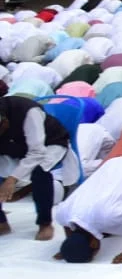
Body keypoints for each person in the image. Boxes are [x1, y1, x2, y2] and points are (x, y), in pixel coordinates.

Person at [0, 95, 74, 240]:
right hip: (12, 148)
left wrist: (12, 180)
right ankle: (1, 221)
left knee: (40, 171)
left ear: (5, 120)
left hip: (48, 144)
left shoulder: (28, 111)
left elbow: (37, 152)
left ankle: (45, 222)